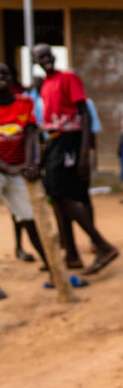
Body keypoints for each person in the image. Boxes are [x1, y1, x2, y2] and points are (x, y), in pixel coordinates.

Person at [35, 44, 118, 274]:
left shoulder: (68, 78)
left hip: (70, 142)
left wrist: (84, 154)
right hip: (54, 142)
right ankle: (71, 254)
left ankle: (103, 246)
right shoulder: (45, 85)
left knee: (63, 196)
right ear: (35, 61)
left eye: (48, 55)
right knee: (56, 197)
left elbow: (84, 114)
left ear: (53, 56)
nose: (45, 59)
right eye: (40, 57)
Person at [0, 62, 50, 277]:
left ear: (12, 78)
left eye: (4, 73)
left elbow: (30, 135)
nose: (0, 77)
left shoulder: (24, 102)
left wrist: (30, 164)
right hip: (4, 168)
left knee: (30, 218)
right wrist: (6, 167)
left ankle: (52, 268)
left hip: (18, 168)